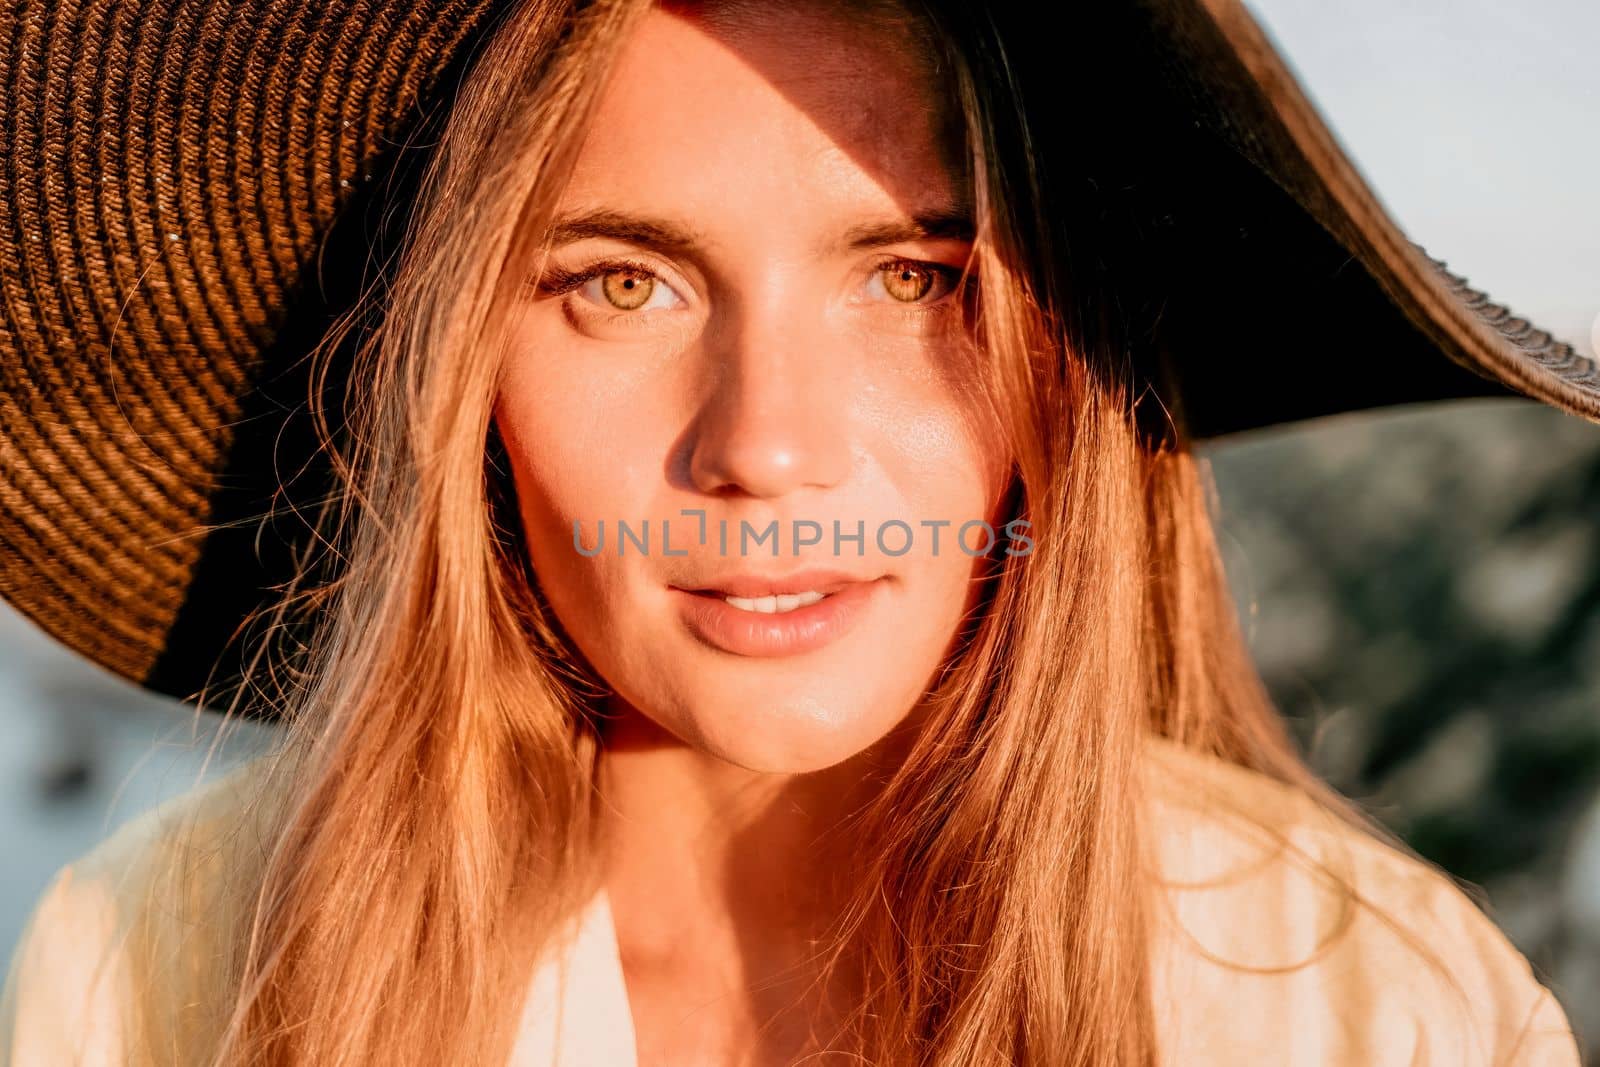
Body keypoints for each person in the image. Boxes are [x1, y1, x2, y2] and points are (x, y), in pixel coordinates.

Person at [0, 0, 1593, 1064]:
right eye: (622, 283)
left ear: (1071, 363)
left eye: (912, 279)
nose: (764, 447)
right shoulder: (162, 976)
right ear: (458, 367)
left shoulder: (1373, 1009)